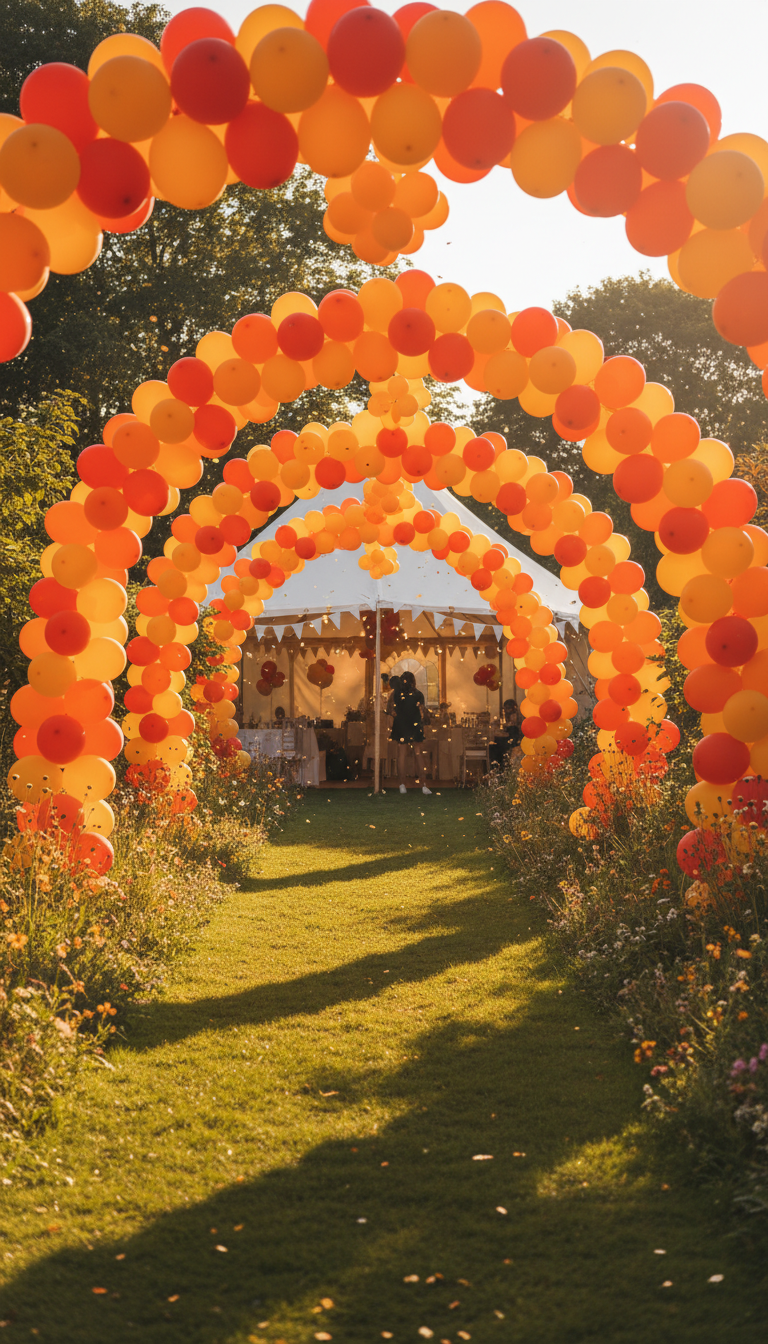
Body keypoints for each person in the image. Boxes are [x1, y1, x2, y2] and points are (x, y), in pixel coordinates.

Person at [390, 670, 431, 795]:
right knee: (418, 754)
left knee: (401, 755)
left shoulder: (396, 694)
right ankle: (423, 785)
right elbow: (423, 711)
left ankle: (402, 785)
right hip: (414, 725)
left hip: (401, 725)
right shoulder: (418, 694)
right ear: (413, 681)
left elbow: (391, 709)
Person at [489, 699, 522, 769]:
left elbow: (511, 733)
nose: (506, 710)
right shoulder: (509, 717)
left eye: (508, 708)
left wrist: (499, 733)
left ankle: (499, 767)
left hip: (512, 742)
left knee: (495, 748)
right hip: (509, 740)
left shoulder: (516, 717)